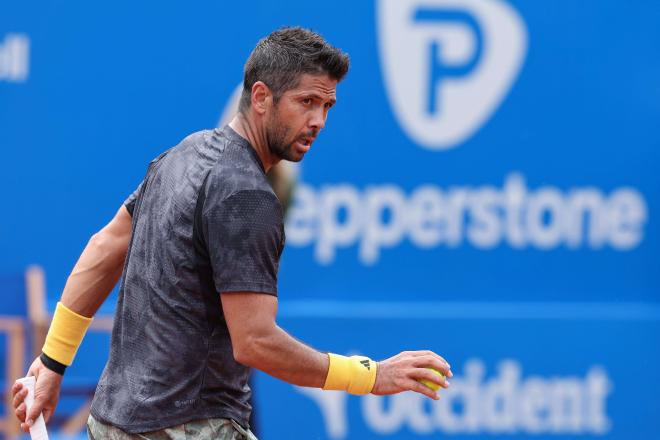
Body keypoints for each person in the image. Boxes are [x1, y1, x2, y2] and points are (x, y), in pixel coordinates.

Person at [12, 27, 452, 439]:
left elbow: (104, 247)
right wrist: (370, 376)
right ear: (261, 97)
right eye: (306, 102)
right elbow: (256, 342)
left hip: (111, 425)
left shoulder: (181, 155)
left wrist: (52, 362)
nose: (319, 120)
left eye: (327, 107)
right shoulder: (249, 196)